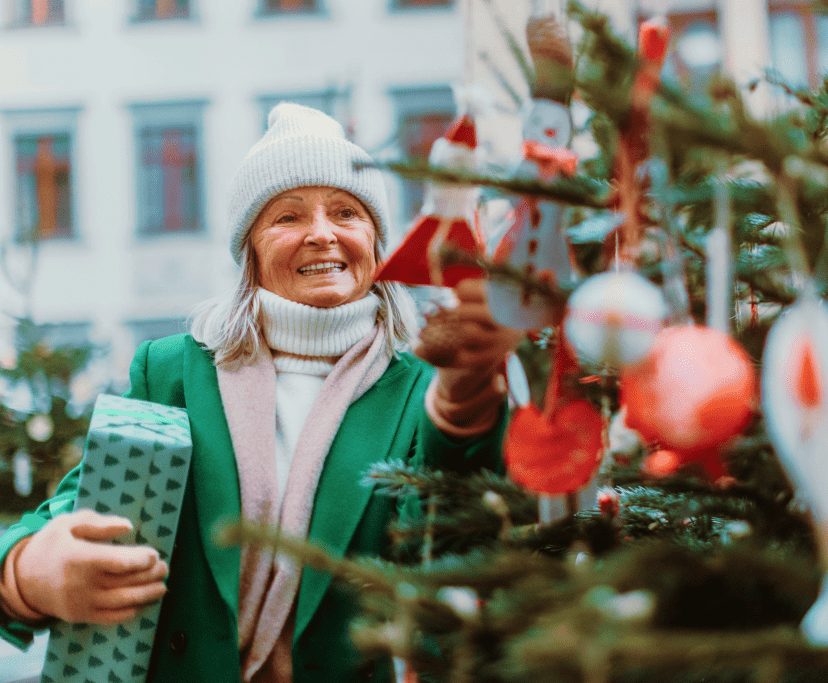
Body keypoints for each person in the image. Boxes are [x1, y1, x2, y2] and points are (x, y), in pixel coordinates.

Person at [0, 103, 519, 682]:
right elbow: (86, 511)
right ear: (249, 252)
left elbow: (452, 537)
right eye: (288, 217)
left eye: (346, 212)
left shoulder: (425, 388)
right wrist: (25, 573)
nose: (321, 233)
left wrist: (465, 406)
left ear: (377, 245)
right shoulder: (172, 372)